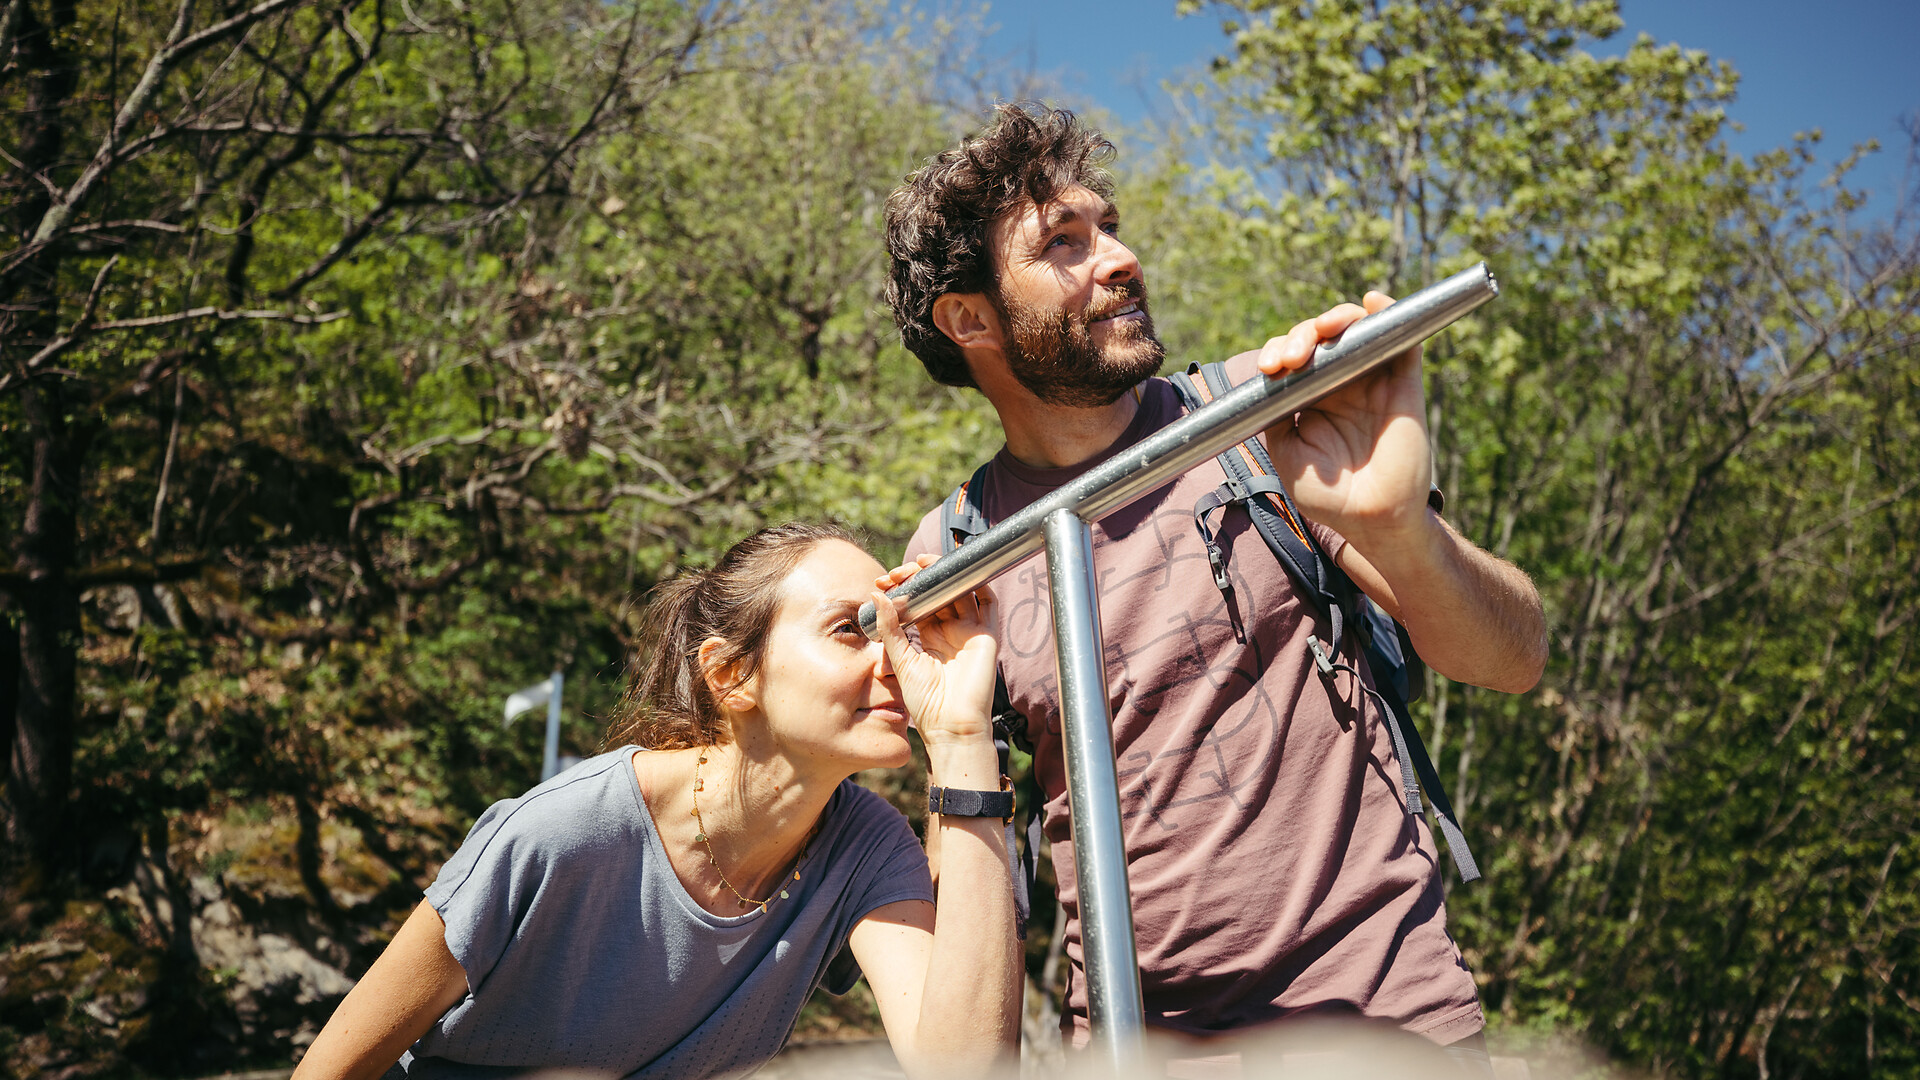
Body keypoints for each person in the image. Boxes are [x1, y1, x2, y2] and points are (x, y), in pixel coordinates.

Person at [885, 106, 1549, 1065]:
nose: (1119, 258)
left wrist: (1399, 530)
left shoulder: (1261, 416)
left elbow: (1514, 659)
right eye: (1063, 244)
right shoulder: (956, 549)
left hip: (1382, 1030)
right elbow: (969, 864)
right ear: (970, 317)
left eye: (1108, 226)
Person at [293, 523, 1020, 1079]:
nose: (895, 657)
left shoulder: (868, 848)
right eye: (850, 631)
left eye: (899, 631)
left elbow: (962, 1068)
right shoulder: (563, 832)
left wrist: (962, 739)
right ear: (733, 676)